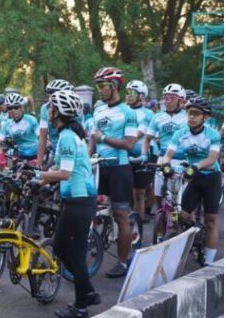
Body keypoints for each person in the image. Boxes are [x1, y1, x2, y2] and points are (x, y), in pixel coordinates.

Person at [33, 90, 100, 318]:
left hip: (80, 201)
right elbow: (57, 167)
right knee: (60, 247)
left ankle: (81, 306)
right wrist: (38, 175)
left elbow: (65, 173)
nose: (48, 110)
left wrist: (38, 176)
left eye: (51, 107)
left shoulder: (69, 136)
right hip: (75, 200)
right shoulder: (67, 134)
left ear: (59, 112)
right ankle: (87, 291)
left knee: (76, 254)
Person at [88, 67, 137, 279]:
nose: (99, 90)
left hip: (119, 167)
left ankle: (123, 262)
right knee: (90, 208)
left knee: (120, 215)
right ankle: (96, 239)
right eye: (98, 86)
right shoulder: (98, 109)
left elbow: (129, 143)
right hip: (100, 167)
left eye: (102, 86)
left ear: (114, 85)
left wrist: (103, 139)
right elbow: (92, 138)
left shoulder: (128, 112)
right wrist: (84, 160)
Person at [162, 96, 221, 266]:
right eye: (189, 113)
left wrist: (197, 165)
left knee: (210, 220)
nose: (191, 117)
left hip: (211, 178)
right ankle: (191, 235)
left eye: (196, 114)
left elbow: (212, 158)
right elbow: (168, 154)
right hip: (194, 177)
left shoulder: (213, 135)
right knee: (183, 215)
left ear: (206, 117)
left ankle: (208, 264)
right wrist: (165, 165)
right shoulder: (180, 133)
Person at [141, 84, 187, 201]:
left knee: (182, 199)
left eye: (172, 98)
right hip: (162, 158)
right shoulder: (157, 117)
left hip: (182, 159)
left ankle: (188, 218)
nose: (168, 101)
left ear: (181, 101)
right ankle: (161, 217)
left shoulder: (187, 118)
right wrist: (144, 155)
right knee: (158, 194)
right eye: (166, 98)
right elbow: (147, 139)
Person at [125, 80, 154, 223]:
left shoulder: (148, 113)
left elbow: (139, 133)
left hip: (139, 156)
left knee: (139, 193)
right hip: (123, 154)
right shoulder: (122, 110)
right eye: (127, 92)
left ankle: (138, 227)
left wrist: (126, 143)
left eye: (132, 92)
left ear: (141, 96)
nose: (128, 95)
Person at [37, 79, 75, 168]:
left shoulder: (74, 110)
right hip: (55, 153)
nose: (49, 98)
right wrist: (38, 163)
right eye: (48, 94)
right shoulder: (45, 108)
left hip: (71, 153)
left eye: (53, 95)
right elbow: (43, 136)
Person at [0, 93, 38, 169]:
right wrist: (1, 156)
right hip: (21, 156)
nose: (13, 110)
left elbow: (42, 139)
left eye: (16, 107)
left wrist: (39, 159)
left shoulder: (31, 120)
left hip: (36, 155)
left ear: (21, 108)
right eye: (10, 108)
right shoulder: (6, 124)